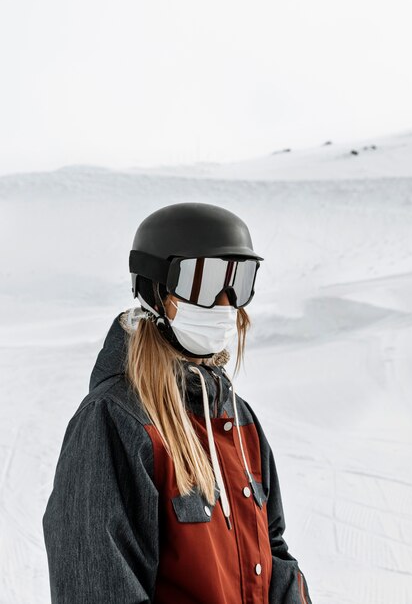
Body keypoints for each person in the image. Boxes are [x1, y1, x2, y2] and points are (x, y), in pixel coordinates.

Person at [42, 202, 313, 604]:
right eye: (203, 281)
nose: (225, 304)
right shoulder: (114, 422)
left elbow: (273, 553)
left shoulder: (238, 419)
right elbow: (98, 589)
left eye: (238, 282)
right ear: (156, 288)